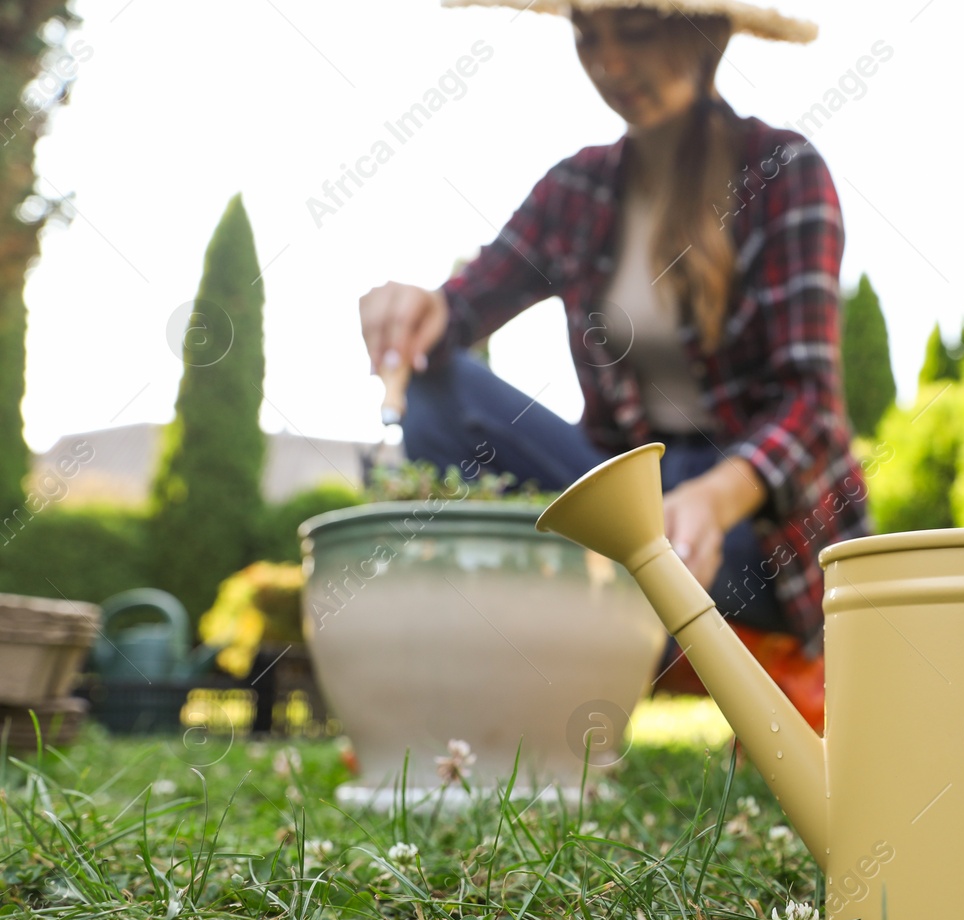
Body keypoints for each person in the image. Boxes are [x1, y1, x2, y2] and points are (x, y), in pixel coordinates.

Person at [357, 0, 869, 734]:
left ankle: (754, 649)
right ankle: (485, 655)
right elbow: (459, 308)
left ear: (706, 34)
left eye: (634, 32)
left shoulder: (783, 171)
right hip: (628, 507)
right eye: (587, 36)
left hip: (757, 526)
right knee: (439, 389)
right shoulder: (577, 190)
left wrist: (715, 501)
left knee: (691, 489)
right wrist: (416, 310)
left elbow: (811, 404)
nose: (609, 64)